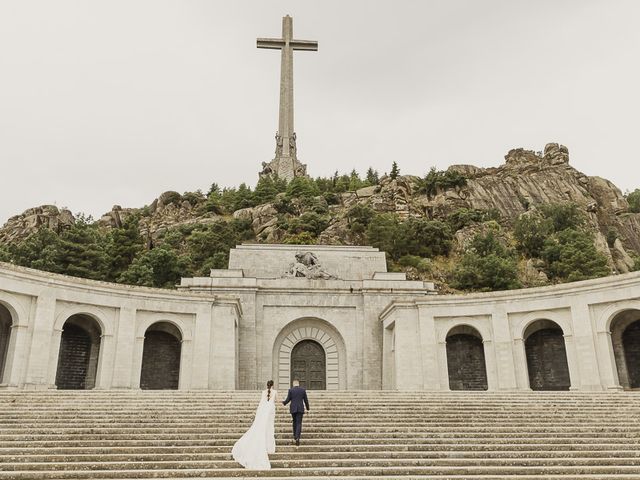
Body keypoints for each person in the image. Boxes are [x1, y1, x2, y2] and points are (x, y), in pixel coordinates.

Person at [231, 380, 277, 470]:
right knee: (269, 428)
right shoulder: (275, 392)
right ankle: (269, 446)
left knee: (264, 428)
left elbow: (261, 404)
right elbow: (276, 401)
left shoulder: (263, 392)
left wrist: (259, 415)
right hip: (271, 411)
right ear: (273, 385)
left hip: (264, 411)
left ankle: (267, 445)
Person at [282, 379, 309, 446]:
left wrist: (284, 403)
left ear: (293, 384)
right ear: (298, 383)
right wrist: (308, 408)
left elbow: (288, 399)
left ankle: (295, 436)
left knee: (294, 422)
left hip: (293, 408)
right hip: (300, 408)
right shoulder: (303, 390)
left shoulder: (291, 390)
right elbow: (306, 400)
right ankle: (297, 437)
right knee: (299, 423)